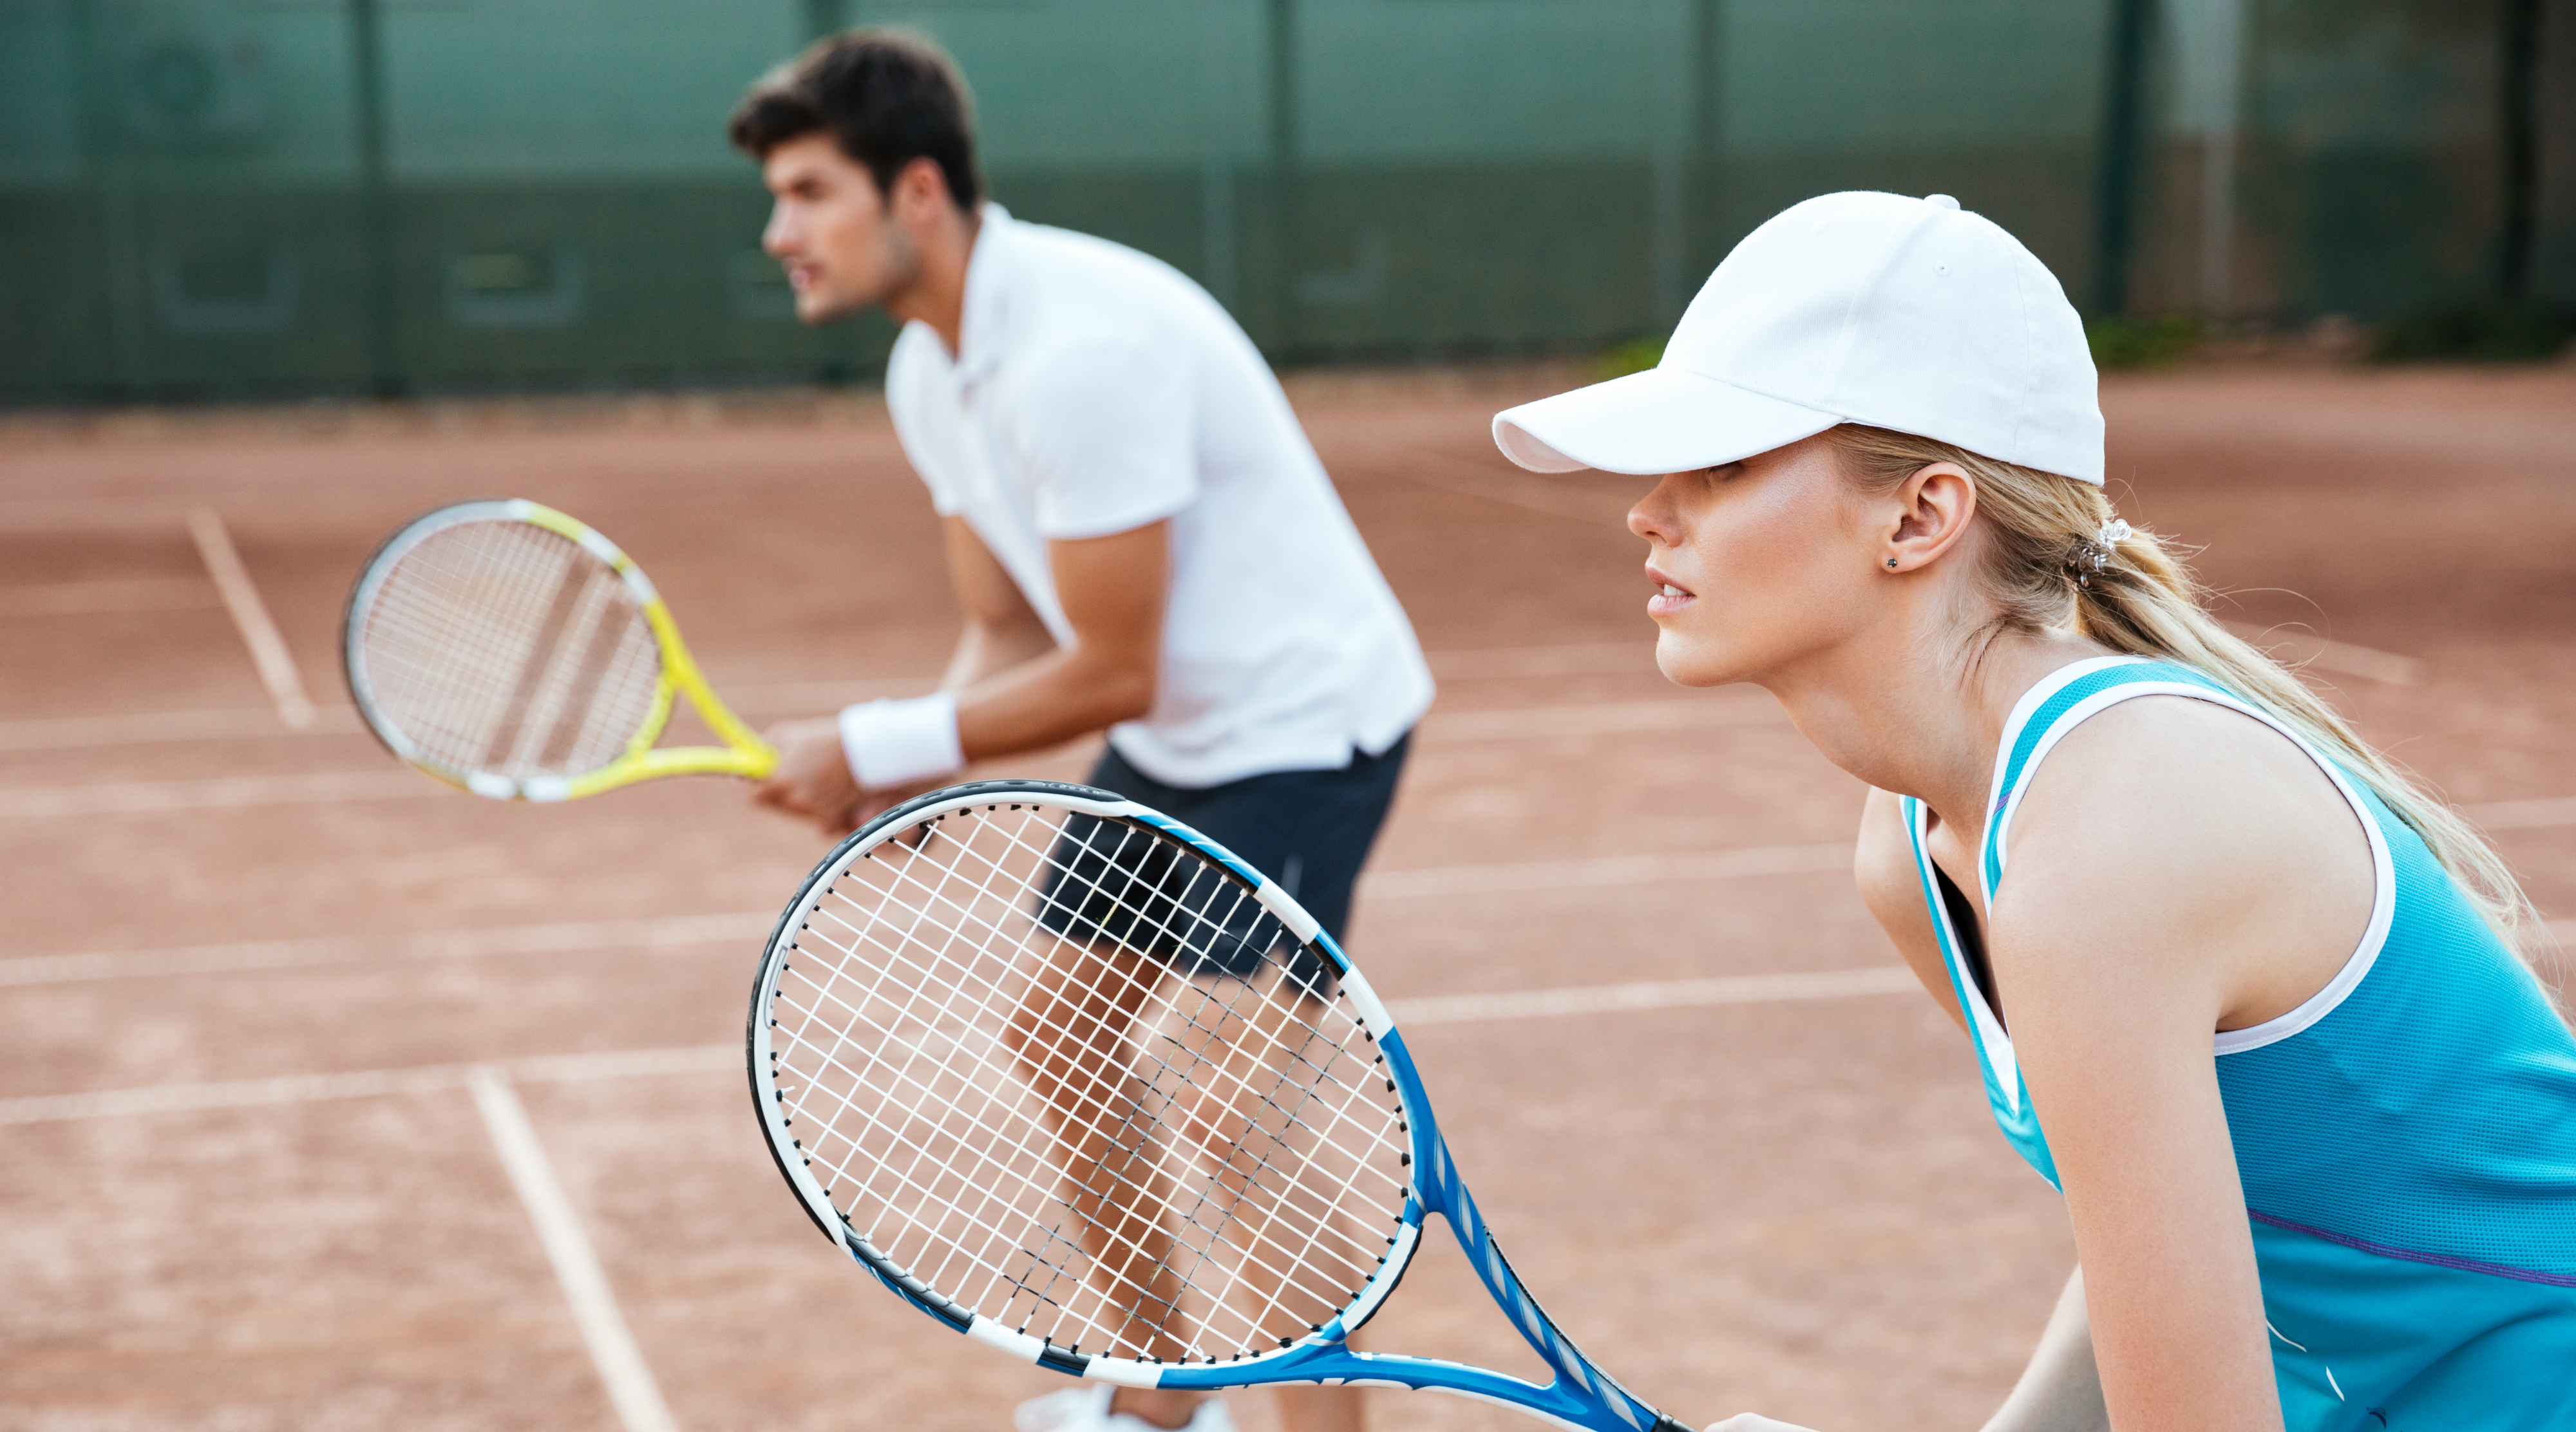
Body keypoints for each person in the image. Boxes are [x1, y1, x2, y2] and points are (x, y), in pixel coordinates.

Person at [1490, 191, 2576, 1431]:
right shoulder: (1918, 846)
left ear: (1921, 516)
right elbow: (2159, 1240)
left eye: (1724, 465)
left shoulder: (2102, 849)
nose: (1651, 507)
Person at [727, 31, 1431, 1432]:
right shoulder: (931, 374)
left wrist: (876, 744)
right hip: (1183, 734)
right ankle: (1159, 1398)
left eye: (808, 192)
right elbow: (1005, 624)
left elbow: (1107, 665)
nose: (778, 231)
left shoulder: (1076, 354)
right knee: (1058, 1033)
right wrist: (914, 755)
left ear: (913, 190)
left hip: (1303, 727)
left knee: (1236, 1114)